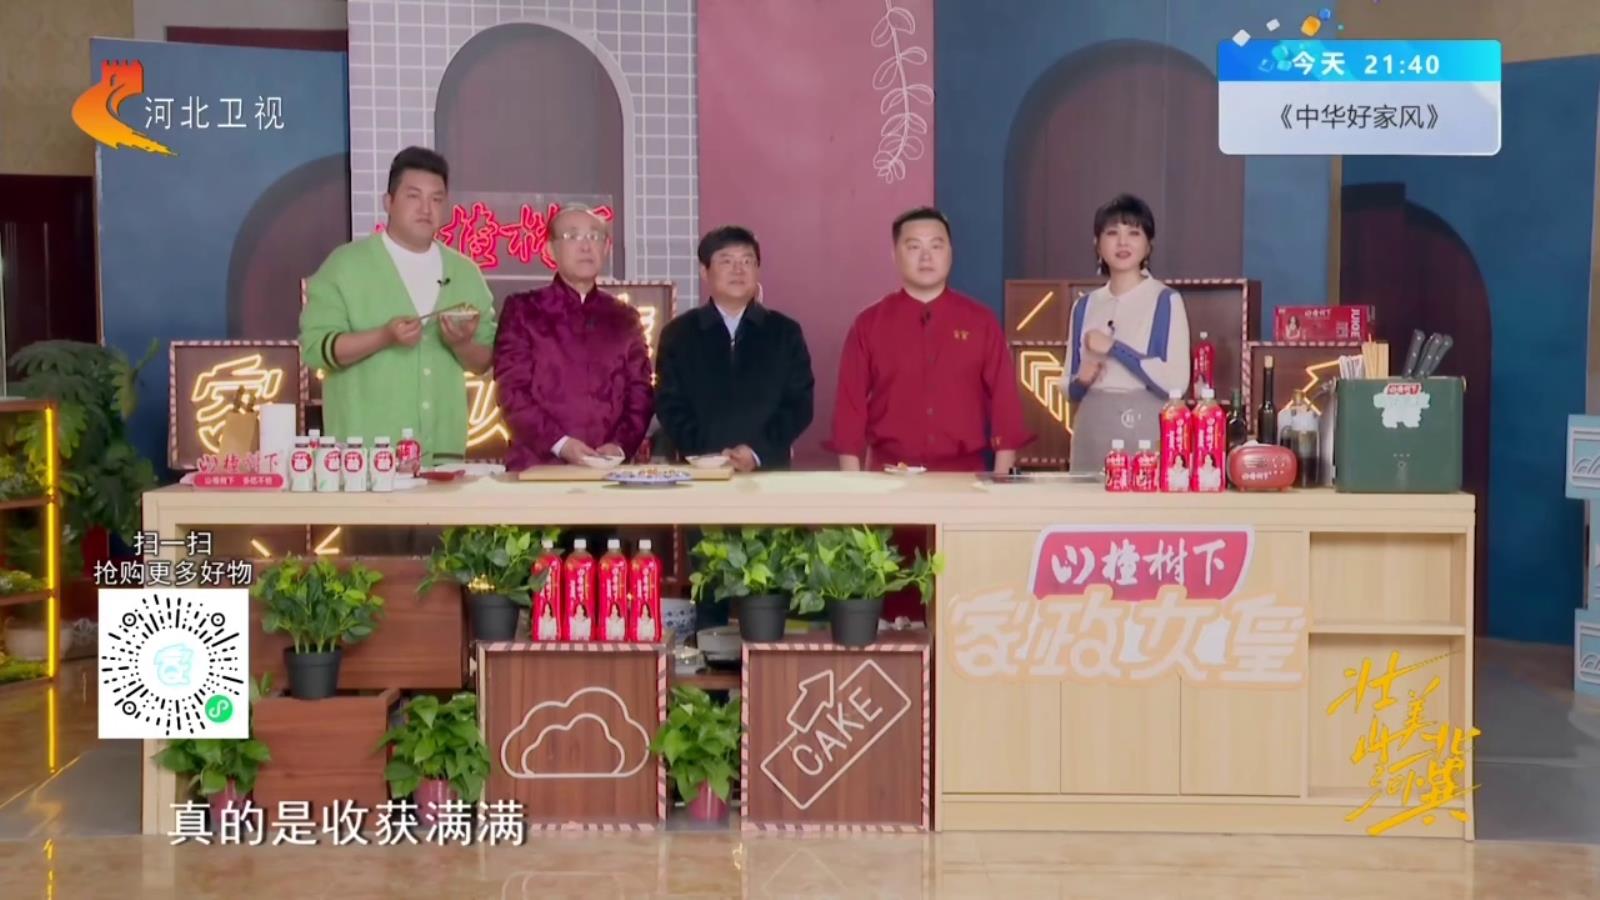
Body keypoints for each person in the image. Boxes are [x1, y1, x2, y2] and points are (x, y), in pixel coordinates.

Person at [299, 146, 495, 463]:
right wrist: (384, 336)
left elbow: (483, 361)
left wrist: (462, 344)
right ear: (388, 202)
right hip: (366, 460)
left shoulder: (465, 273)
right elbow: (315, 350)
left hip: (442, 457)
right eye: (413, 196)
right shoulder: (345, 266)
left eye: (436, 199)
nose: (426, 208)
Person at [830, 206, 1033, 474]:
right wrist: (852, 485)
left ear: (950, 253)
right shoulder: (868, 324)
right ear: (894, 255)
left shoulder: (981, 321)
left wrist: (1001, 477)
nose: (926, 256)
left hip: (963, 475)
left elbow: (1004, 402)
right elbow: (849, 407)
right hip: (887, 473)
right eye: (914, 247)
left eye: (936, 246)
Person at [493, 205, 653, 470]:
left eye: (594, 237)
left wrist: (620, 446)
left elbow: (641, 392)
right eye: (572, 236)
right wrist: (561, 444)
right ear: (550, 250)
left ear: (606, 248)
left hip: (609, 469)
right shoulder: (523, 310)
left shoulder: (625, 318)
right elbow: (511, 391)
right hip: (538, 468)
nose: (586, 246)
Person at [654, 226, 815, 471]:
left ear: (757, 270)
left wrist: (757, 452)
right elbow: (669, 405)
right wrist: (708, 454)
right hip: (699, 472)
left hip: (768, 472)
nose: (738, 270)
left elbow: (799, 405)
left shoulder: (784, 332)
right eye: (726, 261)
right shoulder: (678, 334)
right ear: (704, 271)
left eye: (747, 261)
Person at [1065, 193, 1191, 471]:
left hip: (1143, 426)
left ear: (1148, 245)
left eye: (1134, 233)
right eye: (1112, 233)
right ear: (1097, 244)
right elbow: (1070, 389)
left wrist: (1114, 348)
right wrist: (1082, 380)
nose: (1122, 242)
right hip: (1091, 427)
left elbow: (1175, 384)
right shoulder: (1084, 306)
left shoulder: (1165, 301)